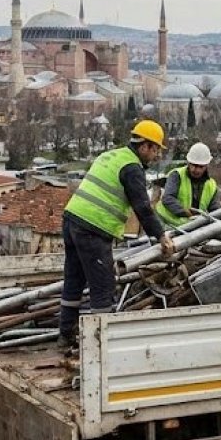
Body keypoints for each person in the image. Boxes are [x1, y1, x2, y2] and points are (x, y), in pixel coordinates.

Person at [60, 120, 175, 347]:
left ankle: (65, 335)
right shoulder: (132, 168)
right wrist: (161, 237)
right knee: (103, 288)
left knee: (73, 281)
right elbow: (143, 208)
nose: (156, 156)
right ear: (145, 146)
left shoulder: (111, 155)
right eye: (156, 150)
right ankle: (99, 348)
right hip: (93, 228)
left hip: (72, 220)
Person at [156, 142, 221, 228]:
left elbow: (215, 211)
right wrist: (186, 213)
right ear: (188, 162)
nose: (196, 170)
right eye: (194, 165)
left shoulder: (211, 185)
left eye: (200, 167)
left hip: (190, 227)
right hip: (166, 223)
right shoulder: (177, 175)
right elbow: (168, 198)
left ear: (206, 166)